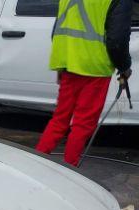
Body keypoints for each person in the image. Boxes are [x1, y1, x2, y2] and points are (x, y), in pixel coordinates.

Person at [36, 0, 132, 166]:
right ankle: (70, 170)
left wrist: (62, 64)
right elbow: (117, 39)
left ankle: (34, 164)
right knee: (82, 124)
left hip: (68, 63)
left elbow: (58, 29)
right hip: (94, 68)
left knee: (59, 120)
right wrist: (124, 66)